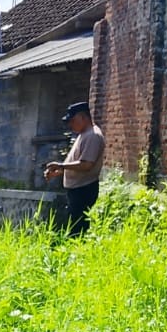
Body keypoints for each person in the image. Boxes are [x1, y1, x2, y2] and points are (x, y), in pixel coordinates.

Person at [43, 101, 106, 235]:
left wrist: (61, 165)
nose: (70, 124)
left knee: (77, 229)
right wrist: (59, 171)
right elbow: (77, 164)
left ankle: (77, 253)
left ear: (83, 117)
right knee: (74, 225)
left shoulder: (92, 135)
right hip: (77, 189)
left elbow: (86, 164)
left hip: (84, 190)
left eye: (72, 120)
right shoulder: (84, 134)